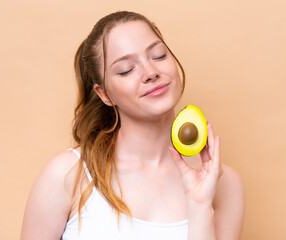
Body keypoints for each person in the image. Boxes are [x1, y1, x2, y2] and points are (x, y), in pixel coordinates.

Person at [20, 11, 245, 240]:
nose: (150, 72)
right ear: (105, 94)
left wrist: (199, 205)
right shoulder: (67, 174)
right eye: (126, 69)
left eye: (158, 56)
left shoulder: (224, 184)